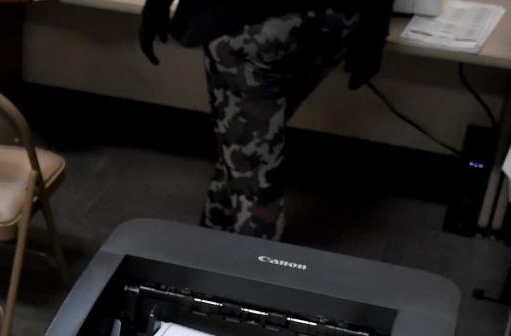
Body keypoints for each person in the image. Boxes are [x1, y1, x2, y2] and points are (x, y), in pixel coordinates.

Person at [140, 0, 394, 239]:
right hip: (335, 22)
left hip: (254, 25)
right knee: (246, 144)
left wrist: (156, 7)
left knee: (252, 168)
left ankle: (253, 278)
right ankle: (209, 247)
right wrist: (374, 33)